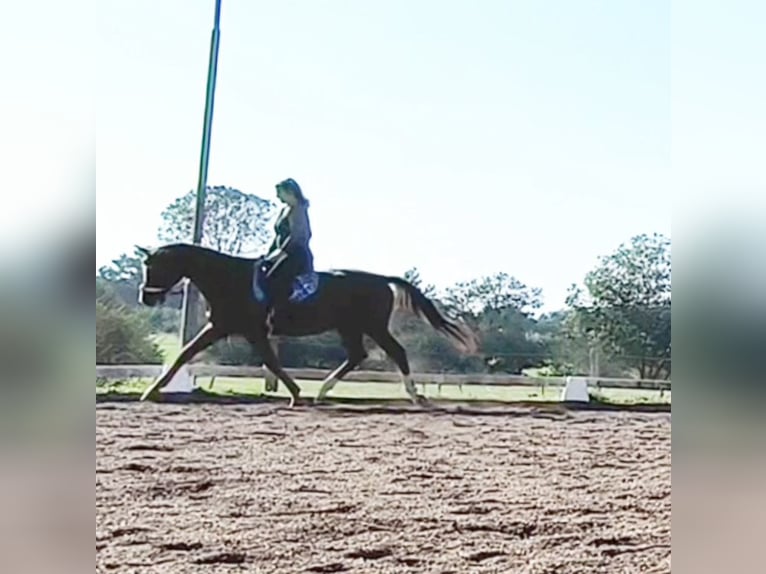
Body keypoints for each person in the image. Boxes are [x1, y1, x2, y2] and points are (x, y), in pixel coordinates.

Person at [260, 178, 315, 320]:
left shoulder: (298, 210)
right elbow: (278, 235)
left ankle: (283, 316)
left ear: (289, 192)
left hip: (295, 255)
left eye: (280, 193)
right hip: (279, 253)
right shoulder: (284, 210)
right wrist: (269, 255)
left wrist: (281, 253)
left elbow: (298, 236)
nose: (277, 196)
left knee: (277, 281)